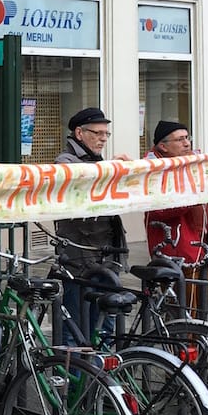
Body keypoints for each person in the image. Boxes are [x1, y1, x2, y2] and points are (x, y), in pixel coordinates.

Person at [143, 120, 208, 318]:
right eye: (180, 140)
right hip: (177, 250)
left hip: (202, 247)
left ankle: (196, 346)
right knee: (182, 312)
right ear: (163, 146)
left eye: (187, 138)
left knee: (199, 309)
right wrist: (196, 194)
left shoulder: (193, 162)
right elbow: (159, 210)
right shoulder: (154, 170)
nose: (187, 143)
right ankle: (181, 347)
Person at [55, 107, 130, 348]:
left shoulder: (100, 164)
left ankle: (101, 380)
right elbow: (80, 180)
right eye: (97, 133)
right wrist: (112, 169)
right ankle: (74, 379)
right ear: (79, 133)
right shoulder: (66, 161)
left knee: (105, 325)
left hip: (106, 257)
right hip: (80, 260)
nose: (103, 139)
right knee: (76, 327)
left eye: (106, 134)